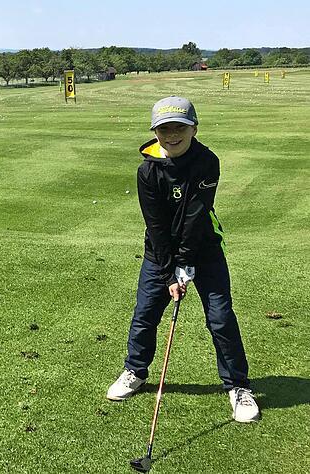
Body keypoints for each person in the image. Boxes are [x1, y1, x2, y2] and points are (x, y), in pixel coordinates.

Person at [106, 96, 259, 423]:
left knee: (220, 317)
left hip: (204, 250)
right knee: (145, 312)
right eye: (164, 128)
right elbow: (156, 225)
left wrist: (185, 266)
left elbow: (195, 217)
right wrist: (168, 274)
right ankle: (135, 370)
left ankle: (238, 386)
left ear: (194, 128)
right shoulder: (147, 170)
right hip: (159, 253)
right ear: (155, 131)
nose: (172, 134)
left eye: (180, 127)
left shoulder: (207, 162)